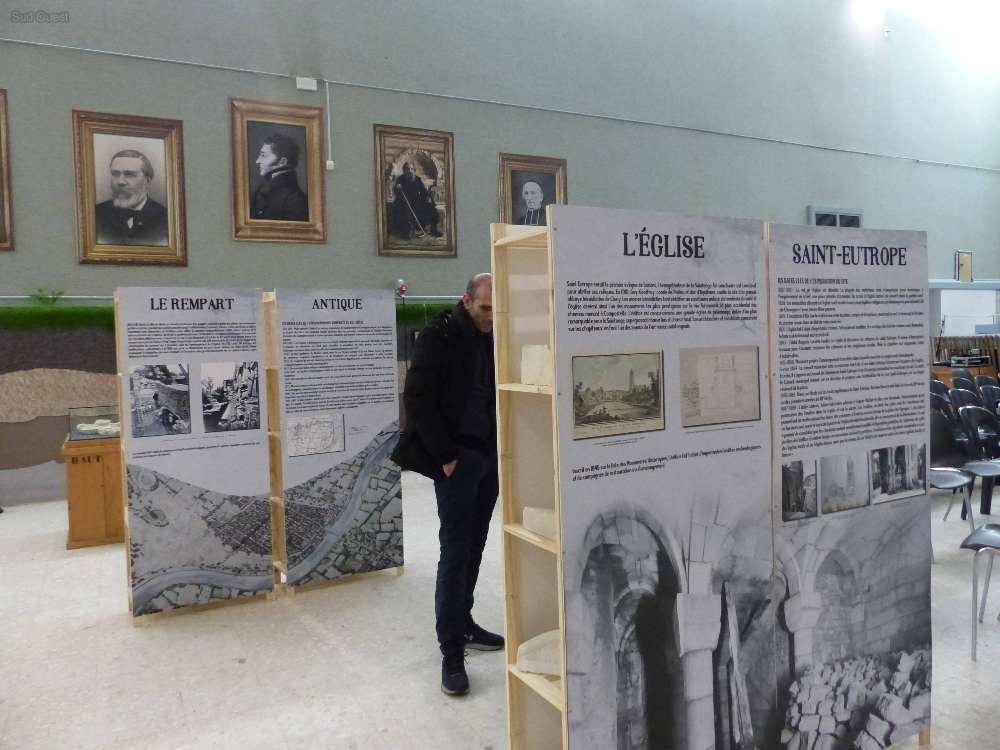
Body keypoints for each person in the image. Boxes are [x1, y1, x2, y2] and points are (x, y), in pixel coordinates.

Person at [391, 273, 504, 696]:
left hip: (489, 456)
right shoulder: (439, 335)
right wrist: (446, 458)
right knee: (455, 552)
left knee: (475, 545)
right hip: (457, 459)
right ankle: (451, 651)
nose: (490, 317)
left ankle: (466, 621)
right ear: (467, 300)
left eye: (496, 309)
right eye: (485, 308)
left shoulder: (498, 334)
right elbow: (418, 398)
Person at [94, 149, 169, 245]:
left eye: (130, 174)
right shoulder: (96, 214)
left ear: (148, 181)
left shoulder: (166, 219)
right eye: (115, 174)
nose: (120, 181)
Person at [251, 133, 309, 221]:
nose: (257, 161)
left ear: (282, 162)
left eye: (264, 155)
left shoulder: (294, 199)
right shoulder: (261, 189)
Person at [388, 161, 442, 240]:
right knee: (404, 210)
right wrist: (397, 188)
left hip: (417, 203)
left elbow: (424, 192)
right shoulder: (401, 179)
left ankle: (433, 229)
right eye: (407, 169)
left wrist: (429, 195)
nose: (410, 171)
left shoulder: (417, 179)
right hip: (404, 203)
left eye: (411, 169)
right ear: (404, 170)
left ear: (414, 170)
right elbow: (396, 192)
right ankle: (406, 232)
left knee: (431, 207)